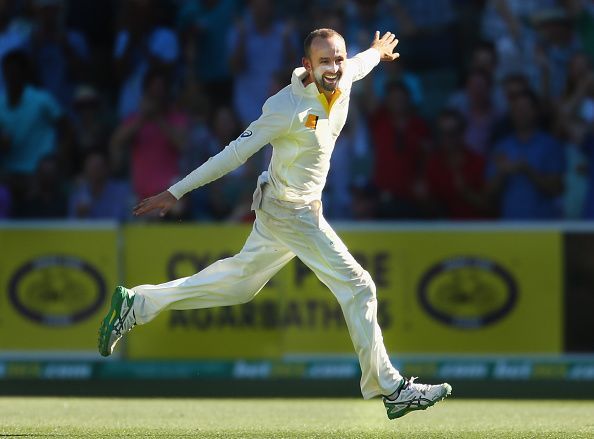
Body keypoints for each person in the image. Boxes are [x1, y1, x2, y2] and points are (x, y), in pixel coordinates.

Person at [98, 29, 451, 420]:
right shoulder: (285, 107)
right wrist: (177, 192)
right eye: (325, 62)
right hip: (290, 212)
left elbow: (360, 66)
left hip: (291, 207)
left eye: (338, 59)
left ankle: (138, 303)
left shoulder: (345, 74)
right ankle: (391, 388)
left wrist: (375, 51)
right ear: (307, 66)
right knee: (360, 286)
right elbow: (233, 154)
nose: (334, 67)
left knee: (240, 284)